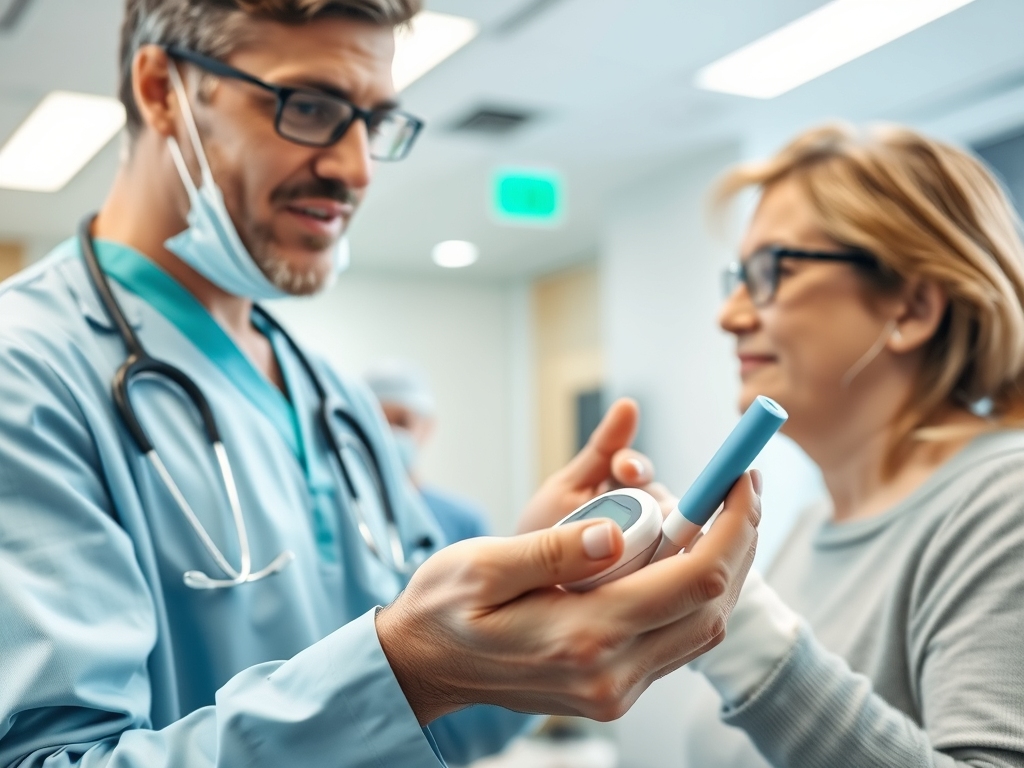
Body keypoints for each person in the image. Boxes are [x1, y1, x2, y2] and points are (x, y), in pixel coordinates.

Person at [0, 2, 762, 767]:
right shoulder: (25, 371)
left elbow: (437, 730)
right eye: (313, 108)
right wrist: (404, 669)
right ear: (162, 88)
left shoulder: (337, 403)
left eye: (372, 122)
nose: (355, 167)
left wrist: (513, 627)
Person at [671, 123, 1024, 767]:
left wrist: (745, 638)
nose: (731, 315)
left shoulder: (1007, 506)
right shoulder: (813, 524)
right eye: (738, 277)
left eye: (772, 270)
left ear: (912, 308)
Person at [364, 358, 490, 544]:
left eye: (402, 422)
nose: (389, 433)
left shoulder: (465, 523)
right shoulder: (353, 516)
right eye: (379, 421)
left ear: (427, 428)